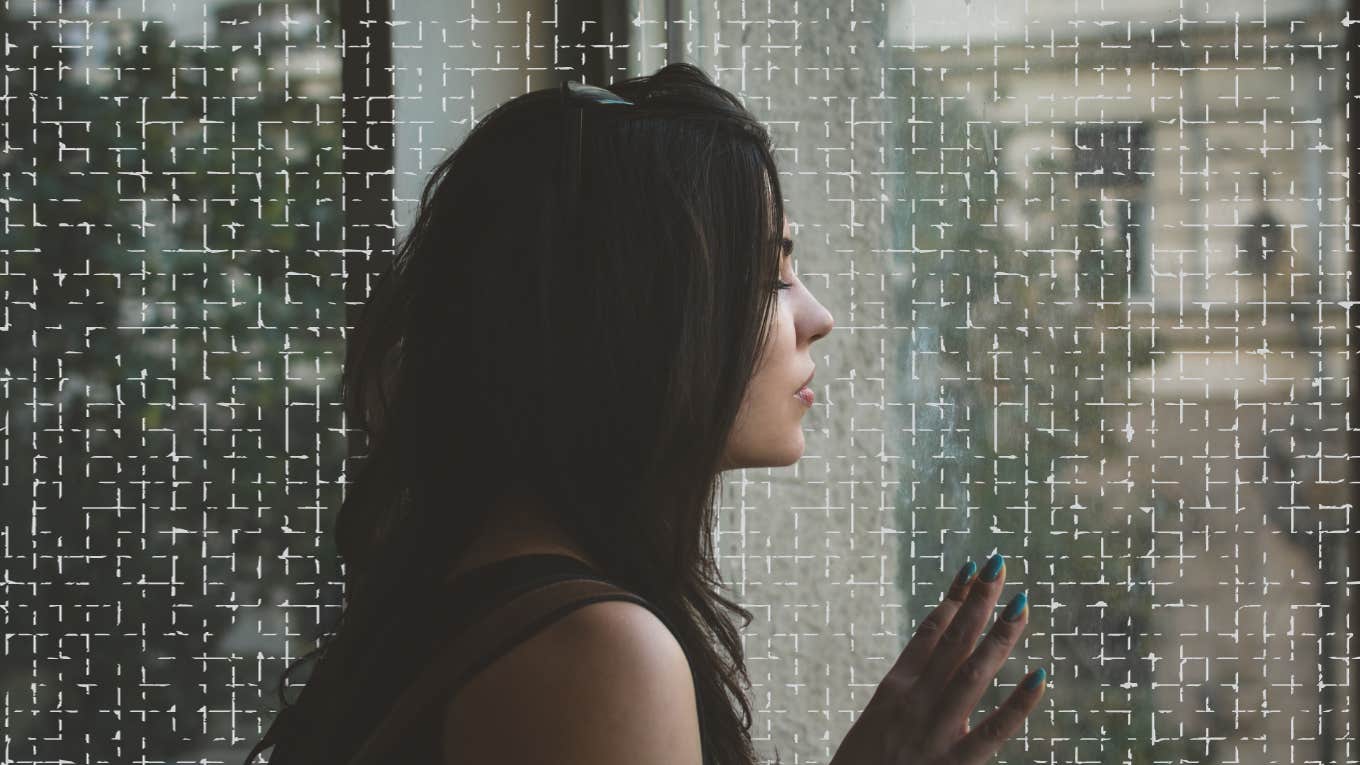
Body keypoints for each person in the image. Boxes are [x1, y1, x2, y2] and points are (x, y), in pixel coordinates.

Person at [245, 62, 1044, 765]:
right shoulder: (595, 650)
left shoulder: (472, 591)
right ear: (641, 316)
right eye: (771, 276)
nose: (819, 315)